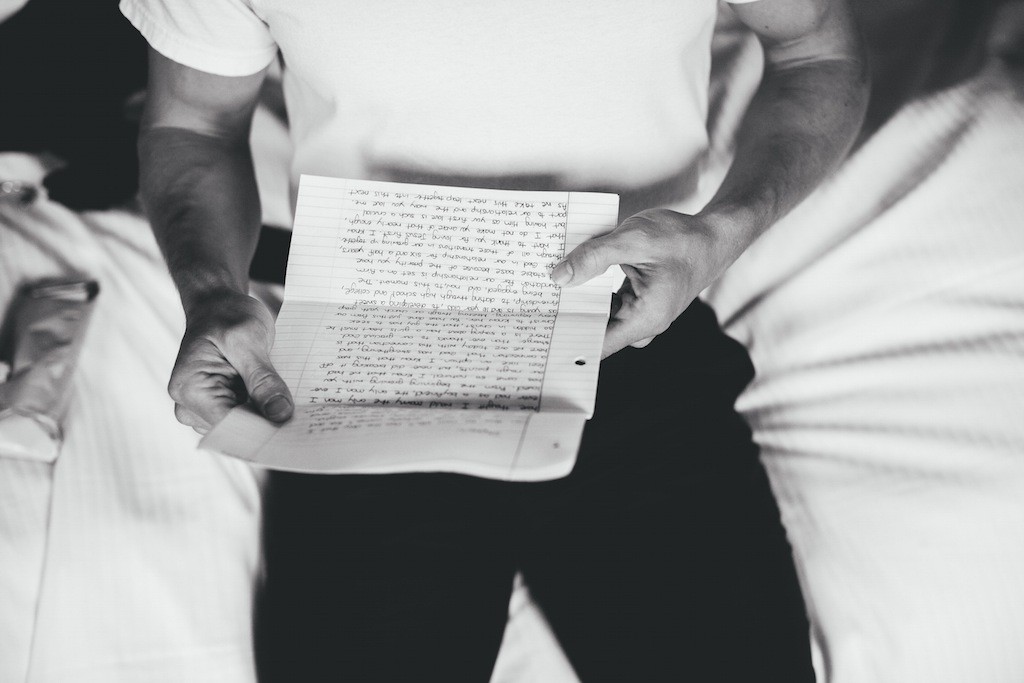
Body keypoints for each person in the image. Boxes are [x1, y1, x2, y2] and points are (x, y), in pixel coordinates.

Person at [121, 0, 867, 680]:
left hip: (636, 323)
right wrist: (213, 290)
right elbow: (194, 121)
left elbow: (816, 55)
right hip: (367, 355)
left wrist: (723, 229)